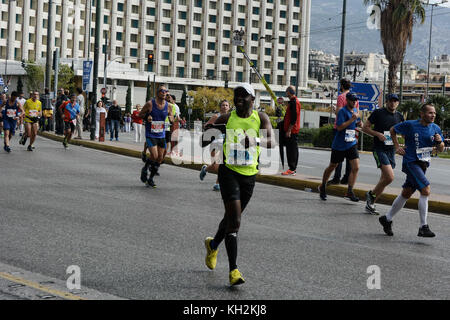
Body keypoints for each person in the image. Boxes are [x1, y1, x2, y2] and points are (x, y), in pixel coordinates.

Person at [202, 83, 274, 286]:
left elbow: (272, 142)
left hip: (249, 175)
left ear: (253, 99)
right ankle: (234, 271)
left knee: (230, 218)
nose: (239, 98)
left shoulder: (261, 118)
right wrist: (210, 131)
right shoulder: (226, 118)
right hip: (229, 173)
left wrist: (255, 140)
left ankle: (213, 244)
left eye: (244, 95)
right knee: (235, 221)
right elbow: (204, 140)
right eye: (236, 95)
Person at [379, 103, 445, 238]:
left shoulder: (435, 128)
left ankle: (387, 218)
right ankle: (423, 227)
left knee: (407, 192)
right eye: (430, 113)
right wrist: (397, 146)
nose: (433, 115)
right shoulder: (410, 125)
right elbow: (392, 129)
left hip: (423, 164)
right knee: (426, 189)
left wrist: (439, 142)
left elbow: (441, 149)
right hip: (411, 162)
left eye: (434, 113)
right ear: (422, 114)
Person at [362, 94, 404, 215]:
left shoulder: (399, 116)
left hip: (391, 150)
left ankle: (371, 204)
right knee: (389, 177)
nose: (393, 103)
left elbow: (403, 132)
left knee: (384, 178)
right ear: (386, 102)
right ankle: (370, 194)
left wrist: (401, 145)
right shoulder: (378, 113)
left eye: (395, 101)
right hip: (379, 148)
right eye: (391, 101)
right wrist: (377, 134)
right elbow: (365, 128)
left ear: (398, 103)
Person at [318, 92, 361, 202]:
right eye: (352, 100)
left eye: (355, 100)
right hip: (339, 145)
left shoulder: (355, 110)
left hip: (351, 143)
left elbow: (358, 123)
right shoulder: (342, 111)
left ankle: (350, 191)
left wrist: (362, 125)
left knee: (355, 167)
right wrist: (352, 119)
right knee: (333, 166)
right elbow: (340, 127)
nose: (354, 102)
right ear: (347, 100)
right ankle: (323, 186)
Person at [139, 86, 174, 188]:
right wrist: (147, 117)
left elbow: (171, 116)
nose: (164, 93)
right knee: (154, 156)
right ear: (157, 92)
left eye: (166, 91)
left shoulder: (168, 106)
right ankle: (145, 168)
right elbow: (140, 114)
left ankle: (150, 179)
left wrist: (171, 118)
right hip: (151, 134)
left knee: (160, 158)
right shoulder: (150, 104)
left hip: (161, 134)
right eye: (162, 91)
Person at [328, 79, 357, 185]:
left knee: (338, 154)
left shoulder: (341, 97)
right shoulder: (355, 98)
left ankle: (337, 177)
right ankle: (347, 177)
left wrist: (334, 109)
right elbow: (356, 113)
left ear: (341, 86)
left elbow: (339, 112)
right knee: (350, 154)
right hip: (351, 129)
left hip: (341, 128)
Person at [199, 99, 231, 191]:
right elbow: (206, 126)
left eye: (226, 105)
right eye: (223, 105)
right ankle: (205, 169)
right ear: (220, 107)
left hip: (225, 143)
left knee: (222, 164)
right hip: (215, 143)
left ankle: (217, 183)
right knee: (216, 165)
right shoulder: (216, 116)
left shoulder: (231, 117)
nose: (224, 107)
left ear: (229, 107)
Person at [281, 86, 301, 176]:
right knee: (291, 149)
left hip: (292, 130)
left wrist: (289, 130)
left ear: (289, 92)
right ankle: (292, 168)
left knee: (291, 149)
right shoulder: (293, 102)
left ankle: (292, 168)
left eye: (286, 92)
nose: (286, 93)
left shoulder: (294, 102)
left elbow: (294, 118)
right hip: (292, 130)